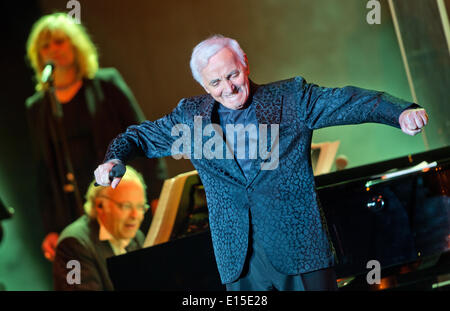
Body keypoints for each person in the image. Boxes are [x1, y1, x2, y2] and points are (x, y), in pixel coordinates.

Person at [94, 35, 429, 291]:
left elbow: (349, 100)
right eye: (215, 82)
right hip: (240, 263)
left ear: (246, 64)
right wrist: (114, 159)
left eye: (233, 74)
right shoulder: (190, 117)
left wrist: (399, 111)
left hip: (300, 252)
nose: (228, 87)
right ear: (203, 86)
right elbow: (138, 136)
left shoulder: (290, 99)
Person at [25, 13, 167, 262]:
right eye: (45, 46)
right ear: (38, 55)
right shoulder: (38, 107)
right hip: (78, 208)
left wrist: (157, 192)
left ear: (75, 45)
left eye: (60, 41)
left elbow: (143, 136)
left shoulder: (105, 84)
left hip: (122, 195)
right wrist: (51, 227)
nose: (53, 50)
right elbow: (43, 172)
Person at [53, 165, 148, 290]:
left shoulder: (137, 237)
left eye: (141, 207)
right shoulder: (73, 245)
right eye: (126, 206)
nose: (135, 215)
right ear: (100, 206)